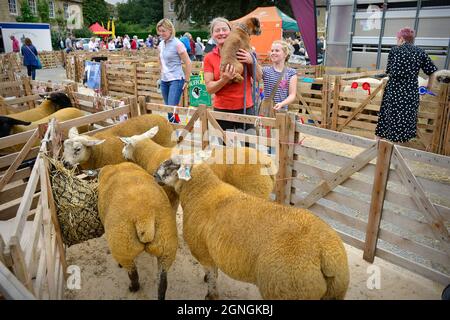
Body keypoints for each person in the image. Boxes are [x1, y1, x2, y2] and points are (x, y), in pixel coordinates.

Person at [375, 27, 437, 144]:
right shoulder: (420, 52)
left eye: (397, 38)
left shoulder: (394, 51)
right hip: (410, 92)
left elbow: (389, 71)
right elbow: (432, 71)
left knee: (388, 116)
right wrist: (429, 87)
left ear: (402, 39)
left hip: (394, 90)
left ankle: (381, 143)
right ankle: (399, 145)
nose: (396, 40)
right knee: (405, 119)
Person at [203, 17, 262, 133]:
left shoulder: (244, 51)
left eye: (224, 29)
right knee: (226, 149)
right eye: (217, 30)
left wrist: (252, 61)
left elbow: (259, 77)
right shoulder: (209, 58)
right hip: (222, 109)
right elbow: (209, 88)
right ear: (212, 35)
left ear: (231, 31)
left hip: (245, 107)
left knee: (249, 149)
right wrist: (224, 80)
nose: (221, 33)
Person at [156, 18, 192, 123]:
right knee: (168, 108)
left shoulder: (178, 44)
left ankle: (176, 131)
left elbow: (188, 62)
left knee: (171, 107)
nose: (161, 33)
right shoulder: (161, 44)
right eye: (159, 31)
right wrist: (161, 71)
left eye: (164, 31)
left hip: (176, 79)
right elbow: (160, 58)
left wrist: (187, 80)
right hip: (164, 80)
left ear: (170, 30)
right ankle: (175, 130)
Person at [261, 40, 298, 114]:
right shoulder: (265, 70)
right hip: (266, 111)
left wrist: (282, 104)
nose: (273, 53)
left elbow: (292, 95)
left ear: (285, 54)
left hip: (281, 112)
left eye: (277, 50)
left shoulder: (291, 73)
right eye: (272, 51)